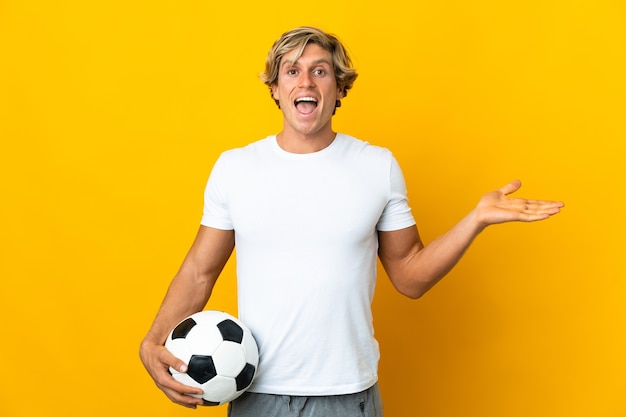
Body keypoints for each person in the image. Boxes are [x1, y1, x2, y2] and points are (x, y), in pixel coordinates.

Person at [139, 26, 564, 416]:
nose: (305, 82)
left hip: (349, 396)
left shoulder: (377, 167)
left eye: (319, 71)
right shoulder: (236, 168)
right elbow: (200, 270)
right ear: (275, 87)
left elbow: (411, 277)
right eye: (292, 71)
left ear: (340, 88)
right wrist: (153, 341)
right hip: (258, 396)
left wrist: (476, 219)